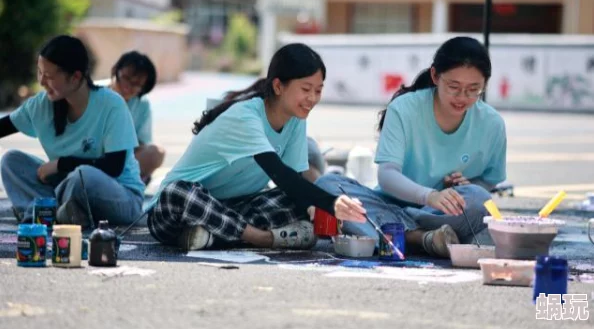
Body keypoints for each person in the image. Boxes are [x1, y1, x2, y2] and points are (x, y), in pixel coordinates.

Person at [146, 43, 368, 251]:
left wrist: (313, 209)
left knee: (294, 200)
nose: (312, 98)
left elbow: (293, 183)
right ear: (279, 86)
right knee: (177, 191)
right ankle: (261, 238)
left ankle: (208, 236)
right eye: (306, 89)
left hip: (231, 209)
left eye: (318, 90)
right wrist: (331, 203)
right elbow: (279, 173)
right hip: (176, 210)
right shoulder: (246, 116)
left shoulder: (297, 119)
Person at [316, 36, 507, 252]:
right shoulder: (405, 109)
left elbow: (487, 183)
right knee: (328, 185)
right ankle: (420, 238)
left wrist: (464, 186)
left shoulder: (492, 123)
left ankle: (397, 234)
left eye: (474, 89)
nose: (462, 97)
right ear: (435, 76)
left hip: (438, 214)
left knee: (478, 198)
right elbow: (387, 176)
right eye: (453, 86)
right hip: (390, 203)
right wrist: (430, 196)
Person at [0, 35, 145, 227]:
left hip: (120, 196)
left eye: (50, 76)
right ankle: (51, 212)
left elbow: (114, 167)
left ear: (76, 77)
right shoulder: (41, 105)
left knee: (82, 176)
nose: (42, 81)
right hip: (66, 186)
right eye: (40, 73)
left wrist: (61, 164)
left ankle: (49, 210)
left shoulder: (111, 105)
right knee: (12, 161)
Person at [108, 51, 164, 184]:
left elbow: (142, 142)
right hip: (96, 157)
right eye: (126, 78)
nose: (128, 87)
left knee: (156, 153)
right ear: (116, 71)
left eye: (137, 83)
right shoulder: (98, 94)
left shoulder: (142, 104)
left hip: (125, 159)